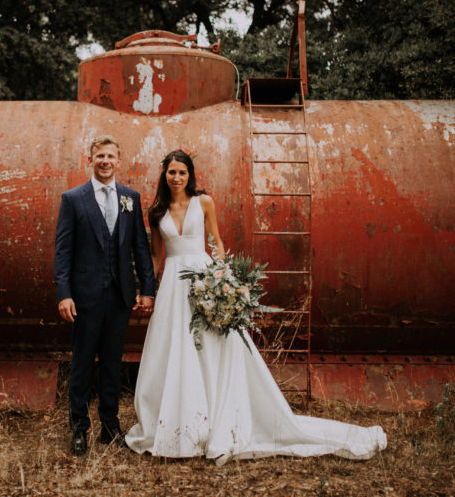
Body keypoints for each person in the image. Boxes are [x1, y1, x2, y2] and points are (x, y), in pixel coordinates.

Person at [125, 149, 386, 464]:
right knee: (173, 351)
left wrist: (221, 277)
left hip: (204, 279)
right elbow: (156, 255)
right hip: (172, 288)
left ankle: (216, 421)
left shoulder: (203, 203)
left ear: (189, 175)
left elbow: (217, 241)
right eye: (172, 172)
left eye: (182, 172)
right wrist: (146, 291)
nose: (177, 178)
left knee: (213, 351)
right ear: (164, 175)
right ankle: (176, 424)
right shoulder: (156, 211)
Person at [54, 136, 155, 455]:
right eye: (100, 155)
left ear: (119, 160)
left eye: (111, 155)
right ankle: (79, 428)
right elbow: (63, 250)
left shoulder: (130, 198)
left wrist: (147, 289)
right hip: (84, 297)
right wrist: (64, 293)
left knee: (113, 363)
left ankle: (110, 426)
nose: (105, 160)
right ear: (90, 159)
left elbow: (140, 246)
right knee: (83, 362)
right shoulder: (73, 199)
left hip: (120, 296)